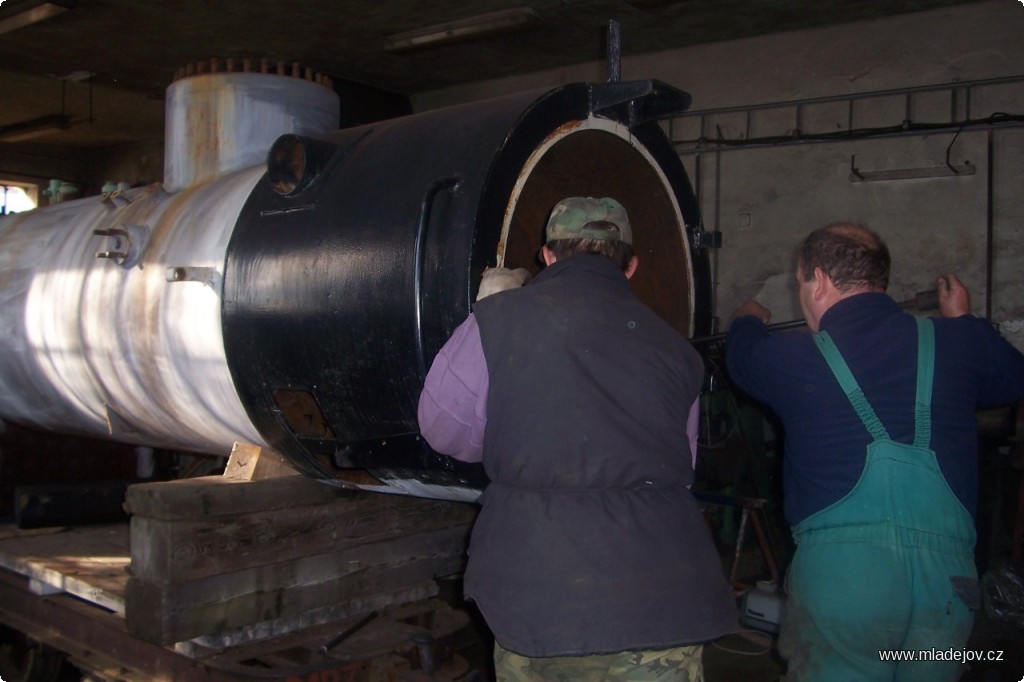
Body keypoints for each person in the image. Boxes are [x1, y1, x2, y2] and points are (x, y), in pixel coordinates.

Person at [418, 197, 738, 681]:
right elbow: (682, 463)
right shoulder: (678, 350)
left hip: (543, 596)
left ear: (547, 255)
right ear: (630, 266)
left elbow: (442, 428)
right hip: (664, 596)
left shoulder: (497, 320)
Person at [724, 223, 1024, 682]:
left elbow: (741, 356)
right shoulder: (961, 342)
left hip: (846, 588)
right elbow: (1013, 378)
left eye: (802, 282)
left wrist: (747, 317)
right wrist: (963, 320)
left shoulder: (787, 357)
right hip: (947, 591)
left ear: (818, 279)